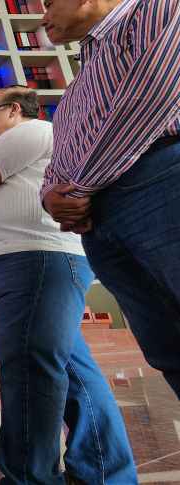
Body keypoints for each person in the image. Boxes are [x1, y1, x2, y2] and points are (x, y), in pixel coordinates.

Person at [0, 86, 137, 484]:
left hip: (34, 261)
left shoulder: (29, 131)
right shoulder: (31, 138)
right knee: (72, 370)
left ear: (14, 110)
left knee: (27, 368)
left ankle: (28, 477)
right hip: (34, 263)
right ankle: (104, 471)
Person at [40, 0, 180, 398]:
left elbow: (152, 95)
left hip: (161, 182)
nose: (43, 15)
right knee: (165, 346)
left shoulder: (156, 9)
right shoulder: (77, 87)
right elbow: (58, 159)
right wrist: (51, 198)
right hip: (100, 219)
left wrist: (80, 188)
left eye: (50, 3)